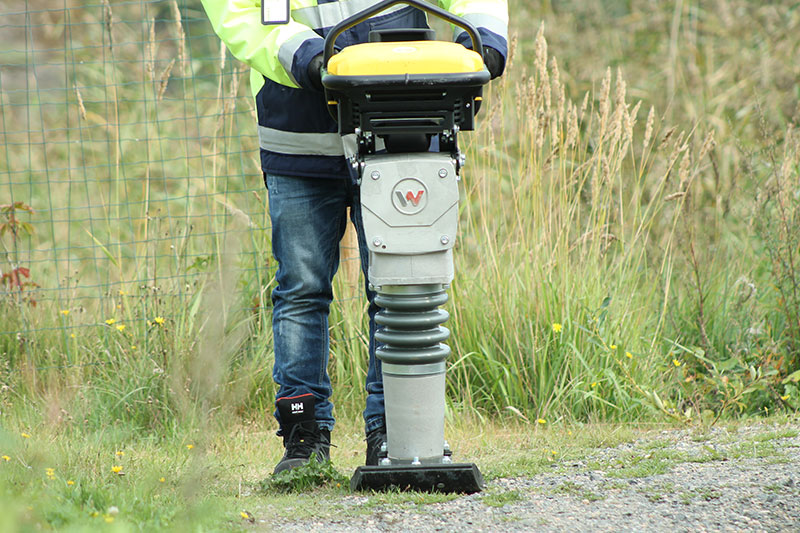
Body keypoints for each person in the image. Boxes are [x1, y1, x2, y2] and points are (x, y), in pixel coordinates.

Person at [200, 0, 508, 474]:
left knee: (399, 284)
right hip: (298, 131)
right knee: (301, 289)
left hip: (398, 122)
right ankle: (304, 440)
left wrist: (484, 38)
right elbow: (239, 14)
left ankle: (395, 431)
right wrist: (306, 55)